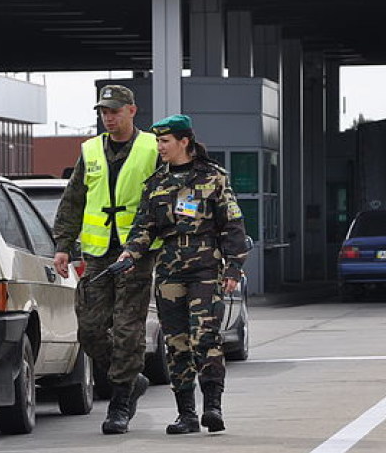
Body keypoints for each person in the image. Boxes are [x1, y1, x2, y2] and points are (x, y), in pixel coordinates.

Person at [117, 114, 250, 434]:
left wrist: (233, 266)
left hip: (205, 269)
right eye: (158, 141)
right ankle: (186, 414)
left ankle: (213, 407)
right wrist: (130, 253)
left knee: (205, 337)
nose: (159, 147)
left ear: (184, 142)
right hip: (169, 272)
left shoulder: (214, 178)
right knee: (176, 343)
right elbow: (143, 228)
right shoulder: (157, 183)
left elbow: (233, 225)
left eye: (165, 142)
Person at [53, 84, 160, 435]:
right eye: (103, 112)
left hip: (137, 252)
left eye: (114, 111)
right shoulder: (90, 151)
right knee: (89, 330)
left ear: (132, 110)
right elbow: (73, 200)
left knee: (129, 329)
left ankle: (120, 402)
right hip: (98, 254)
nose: (108, 118)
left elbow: (166, 197)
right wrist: (63, 245)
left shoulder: (151, 148)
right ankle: (131, 378)